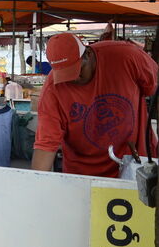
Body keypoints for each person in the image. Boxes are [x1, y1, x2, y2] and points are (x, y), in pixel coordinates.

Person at [31, 32, 158, 177]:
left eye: (78, 71)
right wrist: (37, 187)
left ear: (88, 54)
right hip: (82, 175)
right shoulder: (53, 89)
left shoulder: (127, 56)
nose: (74, 80)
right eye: (66, 75)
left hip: (137, 166)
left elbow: (153, 88)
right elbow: (46, 144)